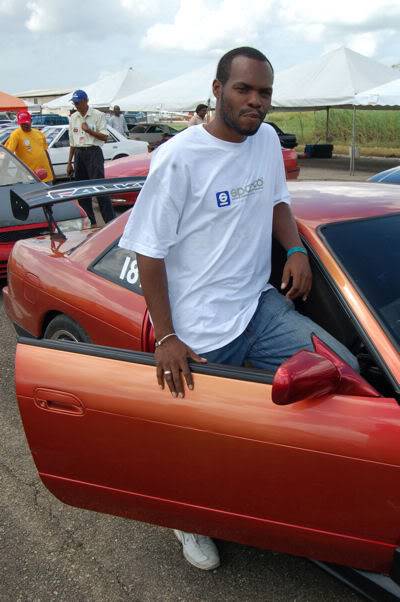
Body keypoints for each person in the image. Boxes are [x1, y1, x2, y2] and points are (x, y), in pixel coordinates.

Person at [119, 47, 358, 571]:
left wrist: (295, 249)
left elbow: (277, 200)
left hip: (259, 307)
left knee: (343, 376)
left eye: (265, 92)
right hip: (201, 332)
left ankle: (305, 497)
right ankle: (190, 518)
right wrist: (166, 336)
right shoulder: (178, 158)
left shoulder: (266, 139)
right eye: (244, 89)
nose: (256, 102)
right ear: (217, 88)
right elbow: (149, 251)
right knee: (206, 446)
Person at [67, 90, 115, 226]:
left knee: (99, 189)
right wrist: (69, 162)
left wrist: (89, 131)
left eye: (78, 102)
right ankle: (91, 222)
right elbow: (72, 142)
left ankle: (110, 221)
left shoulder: (98, 115)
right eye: (74, 103)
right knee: (82, 191)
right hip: (79, 153)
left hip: (93, 152)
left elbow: (105, 137)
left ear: (86, 101)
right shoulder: (74, 117)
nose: (76, 105)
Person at [5, 111, 54, 183]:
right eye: (22, 124)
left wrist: (52, 172)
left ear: (31, 121)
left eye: (26, 123)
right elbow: (8, 154)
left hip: (46, 175)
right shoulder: (16, 134)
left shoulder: (39, 133)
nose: (25, 125)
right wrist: (4, 171)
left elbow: (45, 152)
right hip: (30, 177)